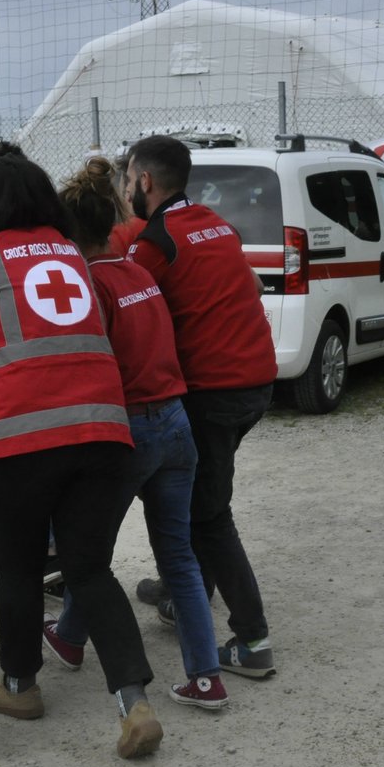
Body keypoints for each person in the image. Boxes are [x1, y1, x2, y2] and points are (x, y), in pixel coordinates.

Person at [0, 153, 162, 759]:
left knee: (16, 567)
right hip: (101, 430)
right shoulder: (73, 255)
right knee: (88, 569)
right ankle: (134, 701)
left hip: (19, 435)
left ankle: (20, 685)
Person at [41, 156, 227, 709]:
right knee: (179, 557)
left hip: (134, 431)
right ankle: (205, 677)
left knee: (88, 554)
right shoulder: (139, 273)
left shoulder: (90, 288)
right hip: (177, 424)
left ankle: (73, 639)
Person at [124, 134, 279, 679]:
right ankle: (178, 591)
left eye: (129, 178)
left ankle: (253, 639)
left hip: (214, 390)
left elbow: (131, 309)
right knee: (196, 492)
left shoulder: (155, 242)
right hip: (255, 379)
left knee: (210, 513)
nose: (125, 189)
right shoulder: (213, 222)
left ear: (144, 181)